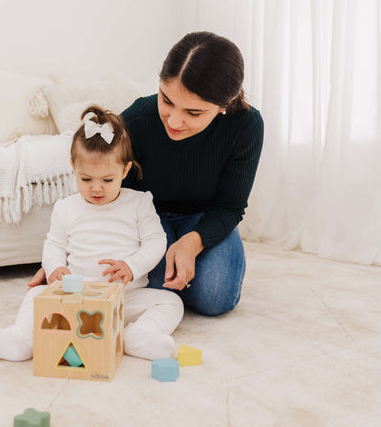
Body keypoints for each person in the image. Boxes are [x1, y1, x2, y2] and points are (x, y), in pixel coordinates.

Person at [28, 31, 263, 317]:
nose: (175, 121)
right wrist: (62, 262)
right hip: (146, 217)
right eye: (166, 100)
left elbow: (230, 206)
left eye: (193, 112)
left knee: (214, 298)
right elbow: (102, 185)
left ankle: (194, 269)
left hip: (207, 215)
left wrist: (194, 241)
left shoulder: (245, 126)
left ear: (223, 106)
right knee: (145, 285)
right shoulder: (138, 119)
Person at [0, 105, 184, 362]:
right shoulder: (66, 207)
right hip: (73, 297)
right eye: (86, 179)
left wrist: (132, 266)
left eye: (107, 180)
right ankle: (22, 340)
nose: (96, 188)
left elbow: (156, 241)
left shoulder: (139, 203)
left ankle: (138, 335)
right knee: (35, 295)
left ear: (125, 170)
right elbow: (53, 245)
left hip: (124, 296)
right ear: (73, 167)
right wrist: (54, 268)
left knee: (171, 302)